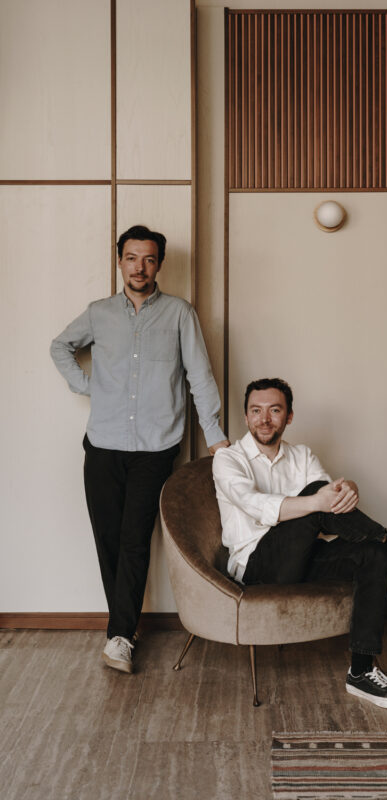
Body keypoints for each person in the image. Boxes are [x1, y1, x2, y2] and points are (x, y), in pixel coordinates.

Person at [212, 377, 387, 710]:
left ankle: (362, 671)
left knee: (374, 553)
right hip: (257, 565)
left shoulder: (302, 455)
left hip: (303, 557)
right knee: (313, 497)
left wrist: (348, 487)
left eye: (274, 410)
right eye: (256, 411)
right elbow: (256, 505)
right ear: (246, 417)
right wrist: (319, 501)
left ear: (289, 416)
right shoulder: (228, 459)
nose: (264, 419)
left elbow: (332, 500)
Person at [51, 224, 229, 674]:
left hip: (155, 448)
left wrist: (216, 438)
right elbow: (60, 347)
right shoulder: (99, 313)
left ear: (159, 264)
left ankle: (119, 636)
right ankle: (123, 629)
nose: (140, 267)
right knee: (108, 540)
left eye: (149, 259)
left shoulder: (179, 314)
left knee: (134, 542)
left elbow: (200, 378)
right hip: (103, 445)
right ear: (120, 261)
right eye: (132, 258)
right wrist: (88, 386)